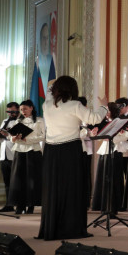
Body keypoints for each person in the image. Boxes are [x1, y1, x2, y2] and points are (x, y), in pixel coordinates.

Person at [37, 76, 107, 240]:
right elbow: (95, 118)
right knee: (72, 189)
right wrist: (104, 105)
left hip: (51, 151)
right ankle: (71, 228)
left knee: (53, 189)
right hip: (70, 150)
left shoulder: (47, 105)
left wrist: (52, 88)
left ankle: (52, 228)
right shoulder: (75, 105)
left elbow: (51, 94)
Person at [7, 100, 45, 215]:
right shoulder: (18, 121)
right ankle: (20, 205)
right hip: (19, 151)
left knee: (32, 179)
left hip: (33, 151)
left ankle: (31, 205)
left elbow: (43, 136)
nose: (23, 111)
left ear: (31, 108)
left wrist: (27, 139)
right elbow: (11, 135)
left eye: (25, 109)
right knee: (18, 179)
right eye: (21, 109)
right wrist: (13, 138)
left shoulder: (39, 120)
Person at [90, 102, 124, 213]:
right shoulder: (103, 123)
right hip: (104, 151)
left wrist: (111, 138)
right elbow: (97, 136)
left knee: (114, 179)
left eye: (108, 110)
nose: (106, 113)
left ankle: (114, 207)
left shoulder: (118, 122)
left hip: (115, 151)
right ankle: (104, 206)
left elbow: (123, 136)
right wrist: (94, 133)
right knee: (103, 179)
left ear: (113, 111)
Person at [0, 102, 20, 212]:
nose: (10, 114)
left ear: (18, 110)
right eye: (8, 112)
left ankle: (19, 204)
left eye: (13, 111)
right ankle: (9, 204)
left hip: (15, 154)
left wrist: (7, 135)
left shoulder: (20, 121)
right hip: (3, 155)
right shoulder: (5, 121)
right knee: (7, 181)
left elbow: (20, 138)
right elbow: (1, 140)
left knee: (17, 181)